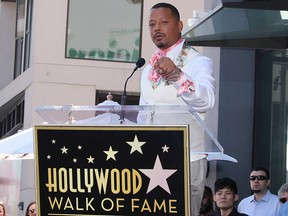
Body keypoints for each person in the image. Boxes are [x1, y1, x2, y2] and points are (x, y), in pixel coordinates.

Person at [138, 3, 215, 215]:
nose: (157, 28)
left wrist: (177, 76)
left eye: (164, 22)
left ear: (179, 25)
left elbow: (206, 100)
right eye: (152, 24)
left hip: (186, 158)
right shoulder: (146, 70)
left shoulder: (198, 62)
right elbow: (143, 115)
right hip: (151, 160)